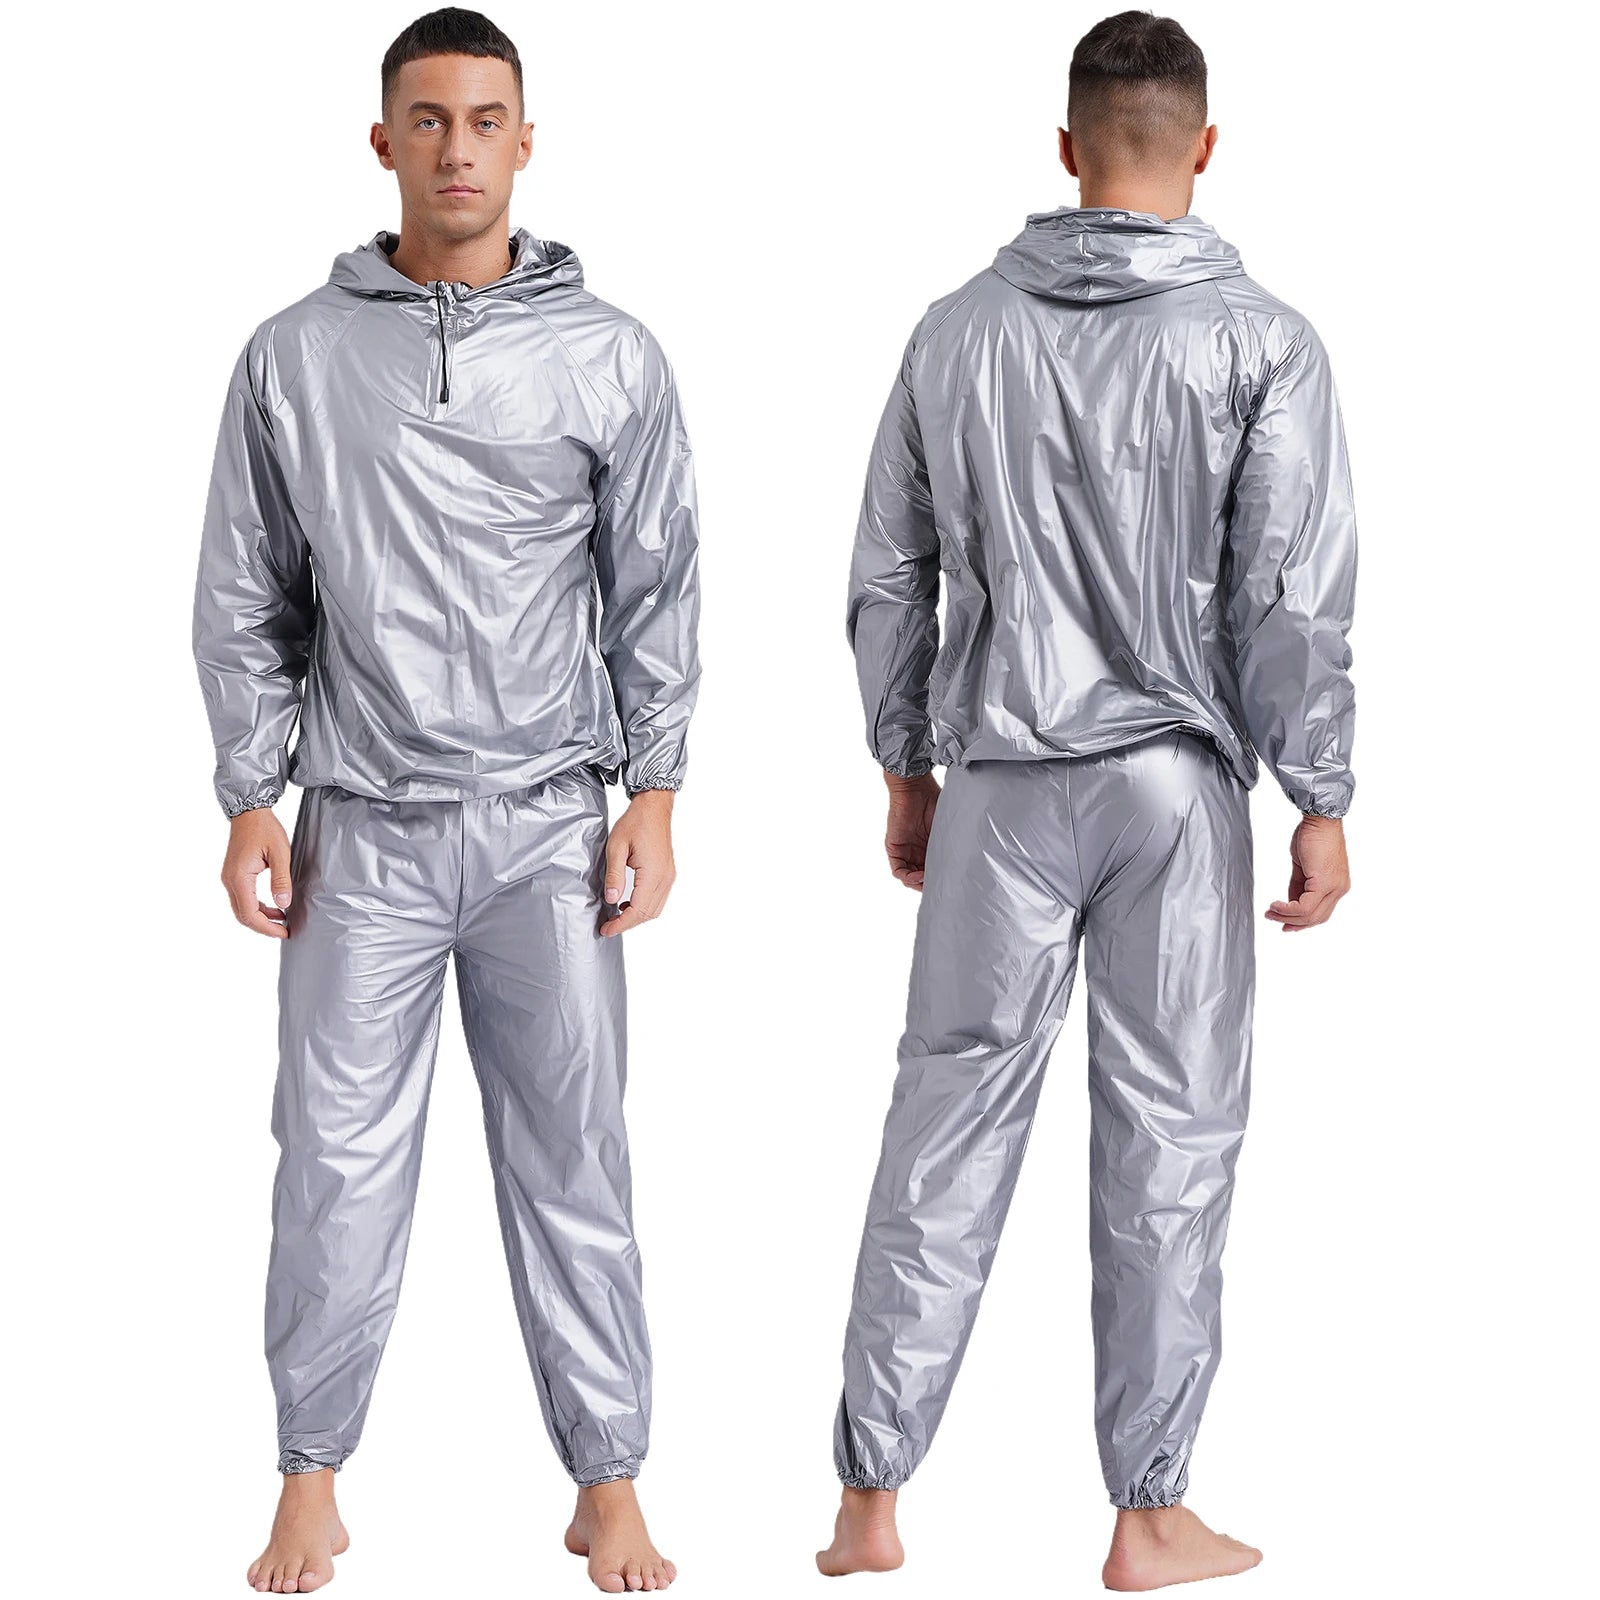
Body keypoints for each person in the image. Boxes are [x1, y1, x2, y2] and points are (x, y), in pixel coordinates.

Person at [819, 10, 1355, 1591]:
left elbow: (889, 574)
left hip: (997, 785)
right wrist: (1321, 790)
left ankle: (869, 1501)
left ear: (1066, 149)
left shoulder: (955, 331)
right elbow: (1287, 597)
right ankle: (1147, 1513)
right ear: (1206, 145)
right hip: (1174, 794)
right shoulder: (1263, 342)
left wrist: (906, 766)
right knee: (1169, 1143)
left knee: (944, 1124)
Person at [191, 9, 698, 1593]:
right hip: (365, 833)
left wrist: (656, 787)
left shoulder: (610, 355)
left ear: (526, 142)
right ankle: (310, 1474)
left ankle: (608, 1479)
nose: (457, 148)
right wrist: (250, 793)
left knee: (576, 1162)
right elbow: (247, 595)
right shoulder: (294, 356)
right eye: (429, 119)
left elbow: (656, 584)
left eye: (485, 120)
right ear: (383, 140)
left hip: (550, 827)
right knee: (334, 1163)